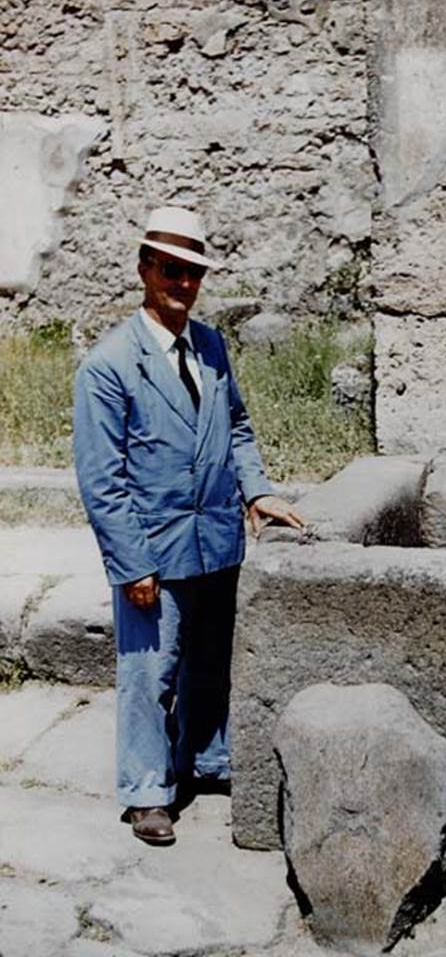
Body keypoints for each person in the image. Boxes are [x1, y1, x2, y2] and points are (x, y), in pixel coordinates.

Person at [73, 205, 304, 845]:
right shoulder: (109, 364)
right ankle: (148, 790)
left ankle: (206, 758)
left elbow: (236, 426)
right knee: (150, 672)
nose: (182, 284)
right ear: (144, 268)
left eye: (193, 274)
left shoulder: (210, 346)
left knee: (209, 660)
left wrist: (256, 491)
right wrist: (133, 564)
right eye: (170, 270)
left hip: (216, 539)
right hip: (155, 549)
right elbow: (101, 479)